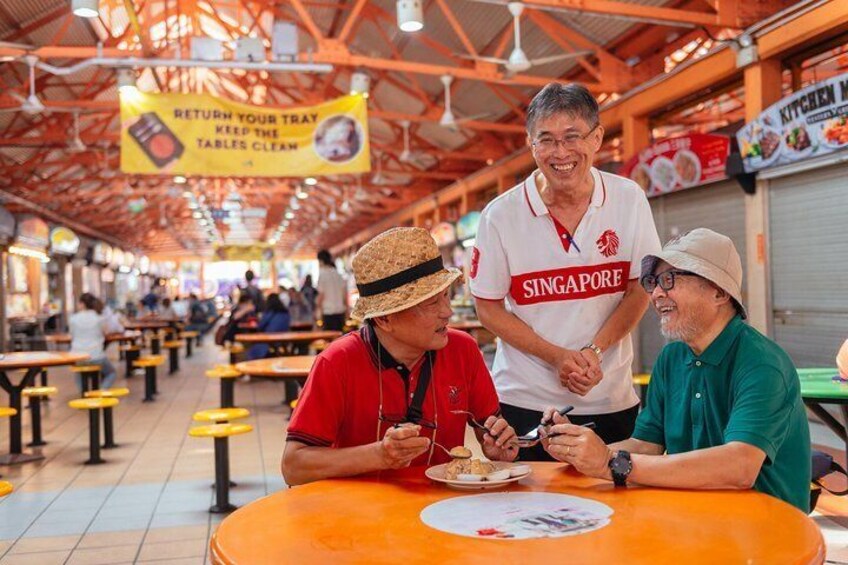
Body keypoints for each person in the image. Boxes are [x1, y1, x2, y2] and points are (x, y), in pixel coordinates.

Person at [542, 229, 811, 512]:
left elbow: (740, 465)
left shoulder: (761, 364)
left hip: (768, 533)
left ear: (719, 291)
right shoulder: (672, 357)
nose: (657, 294)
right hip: (700, 517)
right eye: (653, 282)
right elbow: (647, 443)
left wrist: (611, 463)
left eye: (669, 280)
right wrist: (579, 449)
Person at [469, 82, 661, 459]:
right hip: (524, 400)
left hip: (609, 397)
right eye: (547, 140)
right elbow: (487, 307)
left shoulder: (628, 200)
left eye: (572, 137)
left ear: (597, 138)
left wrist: (594, 350)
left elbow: (641, 287)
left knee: (618, 511)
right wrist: (557, 356)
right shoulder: (501, 215)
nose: (560, 153)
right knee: (525, 513)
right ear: (530, 143)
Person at [282, 227, 519, 486]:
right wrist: (379, 456)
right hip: (359, 514)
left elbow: (491, 431)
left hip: (443, 508)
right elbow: (294, 466)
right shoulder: (337, 362)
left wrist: (499, 448)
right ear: (384, 318)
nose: (447, 312)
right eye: (431, 303)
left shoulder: (463, 350)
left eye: (446, 296)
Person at [69, 293, 117, 393]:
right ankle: (102, 391)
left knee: (79, 371)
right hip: (96, 356)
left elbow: (72, 335)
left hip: (77, 356)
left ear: (82, 304)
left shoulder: (73, 319)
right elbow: (106, 333)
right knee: (111, 373)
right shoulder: (99, 319)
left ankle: (83, 393)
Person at [247, 294, 291, 360]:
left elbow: (260, 326)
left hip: (269, 339)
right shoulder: (286, 313)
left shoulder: (269, 312)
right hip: (283, 340)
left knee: (254, 348)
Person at [316, 250, 347, 332]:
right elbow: (344, 296)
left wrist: (317, 309)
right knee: (339, 339)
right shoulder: (338, 274)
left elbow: (321, 296)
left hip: (328, 313)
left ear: (321, 261)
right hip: (340, 313)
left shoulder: (322, 275)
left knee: (329, 340)